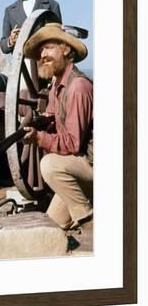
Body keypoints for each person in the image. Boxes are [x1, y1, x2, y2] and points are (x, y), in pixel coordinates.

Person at [22, 22, 93, 230]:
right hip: (78, 167)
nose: (43, 54)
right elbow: (52, 115)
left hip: (94, 164)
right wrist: (42, 120)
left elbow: (72, 143)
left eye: (49, 47)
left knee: (50, 165)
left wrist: (39, 138)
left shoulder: (78, 86)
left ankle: (90, 221)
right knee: (52, 226)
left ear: (66, 49)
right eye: (41, 49)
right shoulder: (56, 85)